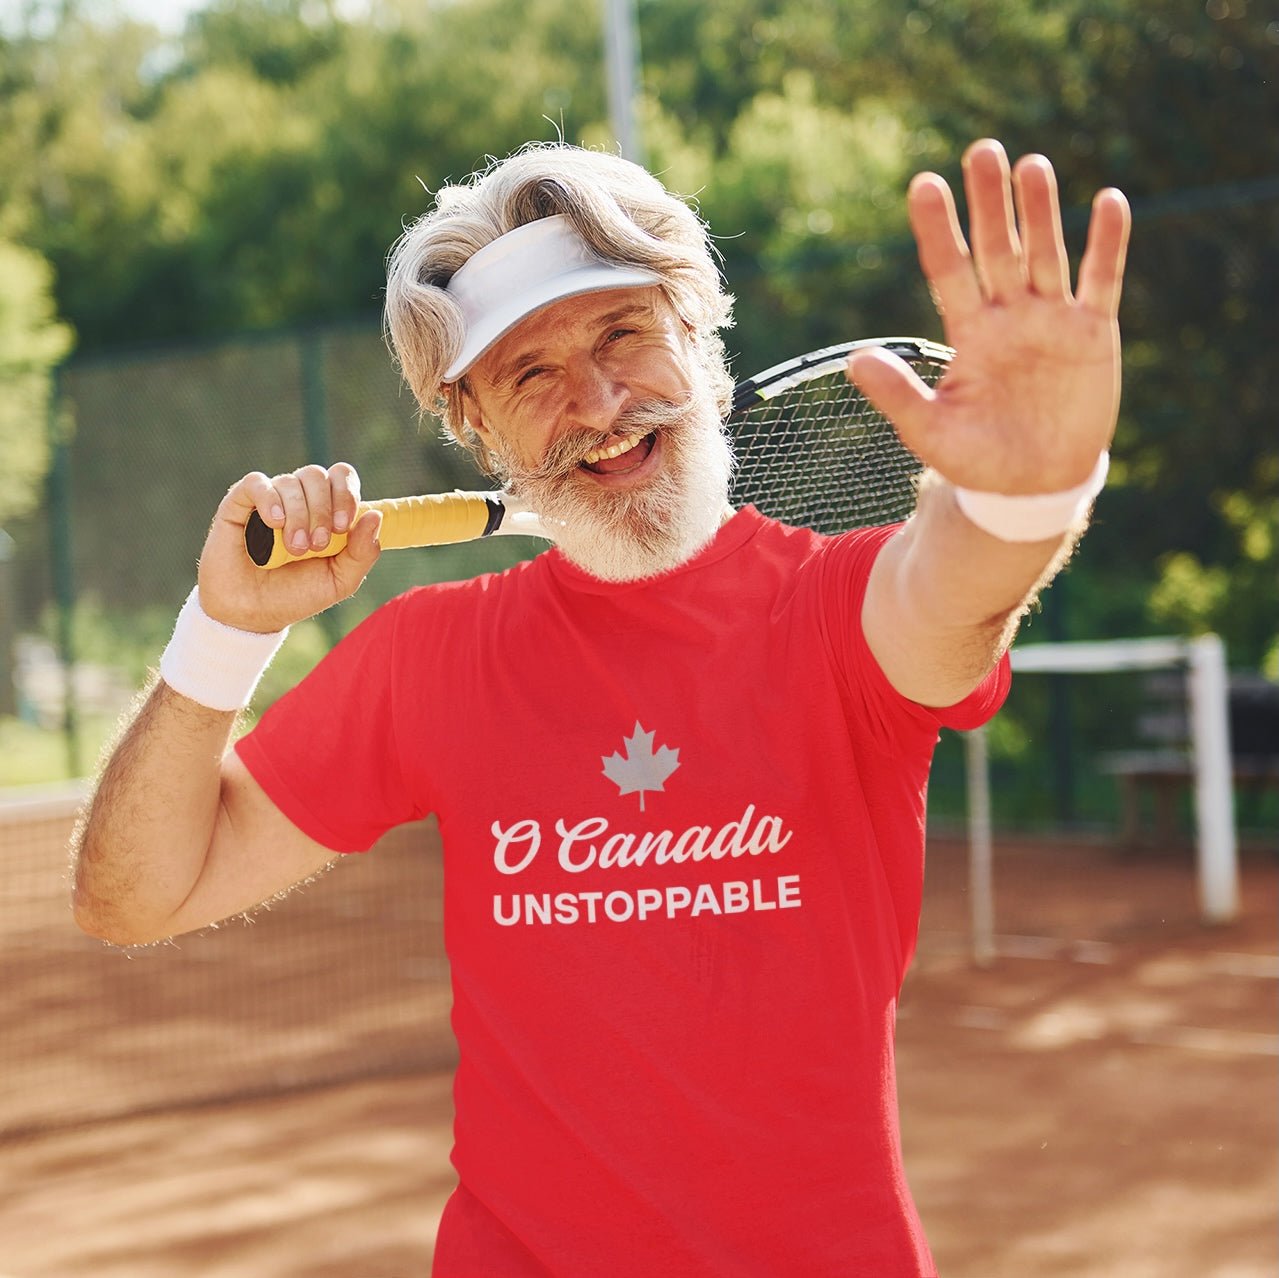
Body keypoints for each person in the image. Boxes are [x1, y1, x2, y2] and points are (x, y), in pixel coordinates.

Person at [72, 138, 1129, 1276]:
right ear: (475, 428)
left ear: (702, 347)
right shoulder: (434, 658)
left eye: (624, 333)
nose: (596, 401)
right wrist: (224, 632)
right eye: (528, 374)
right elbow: (136, 896)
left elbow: (955, 593)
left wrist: (1025, 497)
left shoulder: (839, 615)